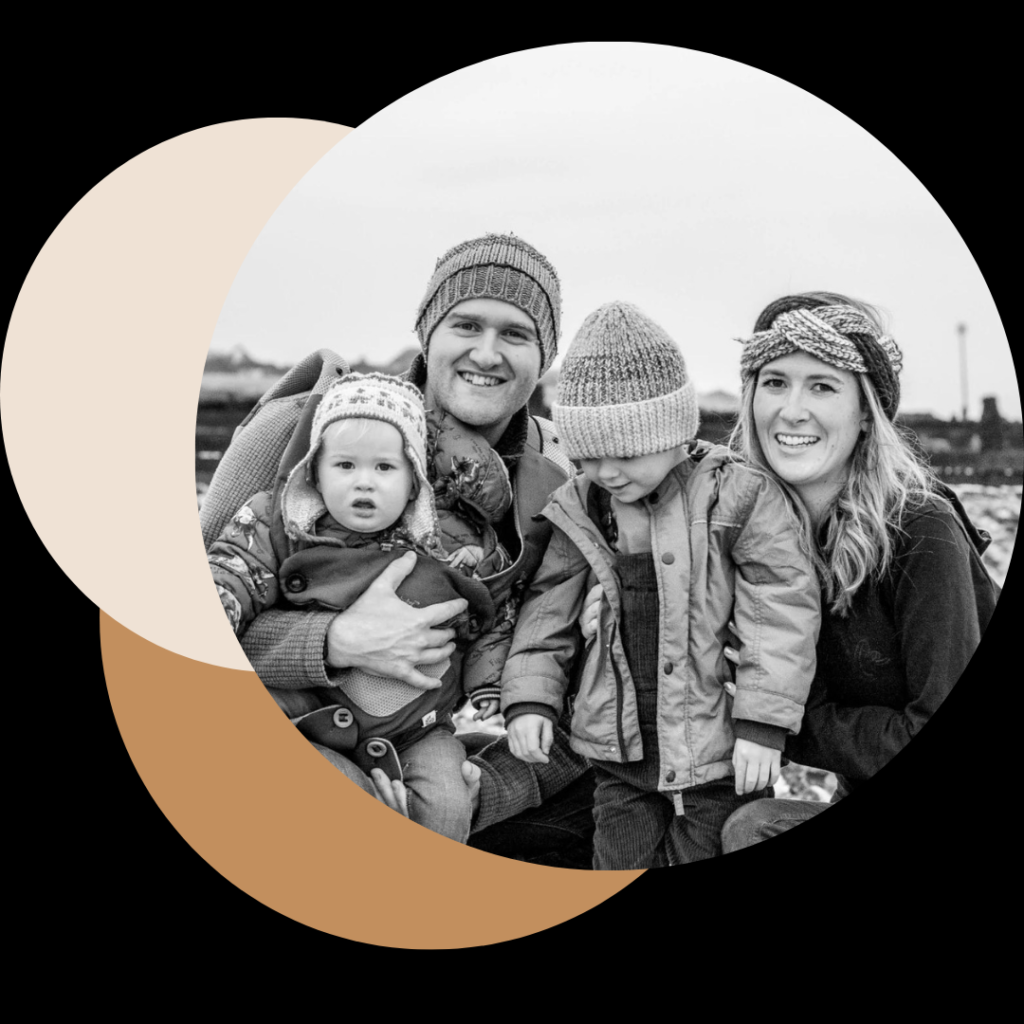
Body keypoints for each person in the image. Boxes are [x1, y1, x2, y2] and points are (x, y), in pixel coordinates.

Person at [199, 233, 597, 863]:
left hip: (428, 749)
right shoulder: (294, 432)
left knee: (613, 806)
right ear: (426, 333)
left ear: (544, 356)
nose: (487, 353)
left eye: (517, 334)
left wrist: (474, 794)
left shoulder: (564, 485)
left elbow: (593, 689)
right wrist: (333, 642)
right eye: (465, 324)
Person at [501, 301, 820, 869]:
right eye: (589, 457)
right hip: (618, 749)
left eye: (624, 454)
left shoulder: (736, 497)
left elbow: (780, 611)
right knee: (614, 864)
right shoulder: (582, 506)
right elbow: (547, 611)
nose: (607, 472)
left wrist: (764, 723)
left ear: (675, 432)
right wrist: (530, 699)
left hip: (717, 749)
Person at [713, 293, 1001, 851]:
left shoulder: (921, 530)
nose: (791, 409)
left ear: (866, 411)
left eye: (822, 385)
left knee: (751, 831)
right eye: (774, 382)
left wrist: (782, 720)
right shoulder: (744, 530)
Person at [207, 372, 510, 841]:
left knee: (448, 811)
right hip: (310, 713)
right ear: (314, 471)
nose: (364, 483)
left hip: (418, 730)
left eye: (385, 468)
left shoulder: (453, 543)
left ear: (414, 481)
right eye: (345, 466)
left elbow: (492, 615)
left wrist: (491, 685)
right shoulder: (281, 523)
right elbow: (236, 570)